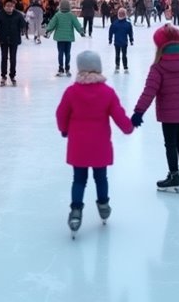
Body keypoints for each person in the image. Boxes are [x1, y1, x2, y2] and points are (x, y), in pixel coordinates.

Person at [56, 50, 134, 237]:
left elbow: (61, 113)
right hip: (100, 146)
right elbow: (119, 115)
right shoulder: (107, 92)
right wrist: (128, 127)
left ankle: (76, 211)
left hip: (78, 146)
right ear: (98, 68)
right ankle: (103, 205)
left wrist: (64, 129)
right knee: (101, 178)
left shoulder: (72, 92)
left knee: (79, 180)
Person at [130, 24, 179, 192]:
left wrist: (139, 112)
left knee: (170, 144)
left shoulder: (158, 67)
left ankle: (174, 175)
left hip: (168, 114)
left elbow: (149, 92)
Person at [0, 0, 28, 86]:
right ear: (4, 6)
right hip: (3, 38)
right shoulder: (0, 14)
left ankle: (12, 75)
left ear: (13, 6)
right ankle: (3, 76)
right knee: (4, 57)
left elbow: (23, 24)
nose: (9, 8)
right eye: (7, 6)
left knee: (13, 58)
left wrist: (23, 29)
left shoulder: (18, 14)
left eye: (11, 6)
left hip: (14, 39)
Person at [46, 0, 85, 76]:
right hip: (68, 38)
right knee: (67, 53)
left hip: (60, 38)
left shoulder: (57, 15)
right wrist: (81, 31)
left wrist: (48, 30)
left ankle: (61, 68)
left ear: (60, 6)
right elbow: (77, 24)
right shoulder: (71, 15)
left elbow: (52, 24)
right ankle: (67, 68)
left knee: (60, 53)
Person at [108, 7, 134, 73]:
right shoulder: (116, 23)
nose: (121, 15)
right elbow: (111, 31)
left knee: (123, 55)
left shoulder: (126, 24)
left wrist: (131, 39)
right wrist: (110, 39)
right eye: (120, 13)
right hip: (118, 42)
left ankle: (124, 66)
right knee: (118, 55)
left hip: (123, 42)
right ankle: (118, 66)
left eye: (122, 14)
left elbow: (130, 33)